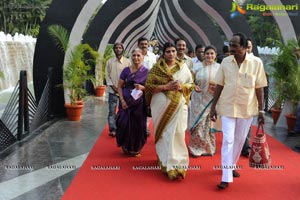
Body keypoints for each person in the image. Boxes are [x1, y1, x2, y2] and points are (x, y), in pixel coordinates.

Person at [209, 32, 267, 189]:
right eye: (230, 45)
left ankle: (231, 164)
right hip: (227, 107)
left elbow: (260, 87)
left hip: (246, 109)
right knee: (228, 140)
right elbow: (219, 85)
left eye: (234, 45)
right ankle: (225, 176)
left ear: (244, 47)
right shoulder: (226, 62)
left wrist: (262, 111)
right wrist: (213, 107)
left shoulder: (256, 63)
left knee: (240, 140)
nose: (231, 48)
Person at [145, 42, 194, 180]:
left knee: (178, 134)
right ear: (163, 53)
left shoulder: (183, 67)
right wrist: (166, 86)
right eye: (168, 51)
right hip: (160, 106)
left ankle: (179, 164)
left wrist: (181, 87)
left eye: (173, 51)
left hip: (178, 105)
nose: (171, 54)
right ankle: (166, 162)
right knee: (165, 134)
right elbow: (149, 87)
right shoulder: (156, 69)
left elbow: (190, 85)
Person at [116, 48, 149, 157]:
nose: (136, 57)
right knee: (123, 124)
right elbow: (119, 86)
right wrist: (122, 101)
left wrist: (142, 87)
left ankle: (135, 148)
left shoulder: (147, 72)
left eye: (138, 55)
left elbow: (150, 88)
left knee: (137, 126)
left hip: (139, 104)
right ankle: (125, 146)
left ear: (143, 57)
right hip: (125, 102)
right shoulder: (126, 70)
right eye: (134, 55)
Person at [188, 45, 220, 157]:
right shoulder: (197, 67)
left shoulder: (220, 68)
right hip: (198, 99)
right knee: (198, 125)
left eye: (212, 53)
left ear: (215, 55)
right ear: (204, 55)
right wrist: (193, 86)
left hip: (212, 100)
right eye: (207, 53)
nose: (209, 56)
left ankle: (208, 148)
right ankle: (196, 148)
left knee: (209, 125)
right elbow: (189, 81)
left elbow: (224, 83)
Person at [106, 42, 131, 137]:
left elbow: (129, 76)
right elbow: (107, 76)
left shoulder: (127, 62)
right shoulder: (109, 62)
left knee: (122, 111)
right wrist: (114, 87)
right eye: (116, 47)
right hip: (112, 91)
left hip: (124, 91)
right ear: (114, 50)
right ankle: (112, 130)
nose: (118, 49)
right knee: (111, 111)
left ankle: (120, 127)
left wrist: (122, 87)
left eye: (120, 47)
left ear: (122, 49)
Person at [137, 37, 157, 136]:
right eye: (142, 44)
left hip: (149, 86)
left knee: (148, 106)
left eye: (146, 44)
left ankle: (145, 126)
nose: (144, 45)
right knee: (137, 105)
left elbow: (156, 71)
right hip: (137, 85)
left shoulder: (153, 56)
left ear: (148, 45)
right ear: (138, 45)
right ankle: (138, 126)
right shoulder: (135, 56)